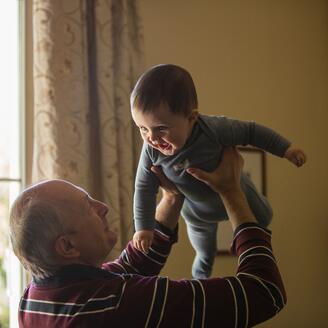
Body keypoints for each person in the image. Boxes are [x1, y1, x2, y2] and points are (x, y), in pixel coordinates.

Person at [10, 147, 286, 327]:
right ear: (67, 246)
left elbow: (129, 266)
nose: (103, 208)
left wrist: (172, 197)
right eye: (88, 208)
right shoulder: (121, 304)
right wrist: (232, 193)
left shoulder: (34, 299)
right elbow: (263, 292)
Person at [131, 63, 306, 278]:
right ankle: (201, 278)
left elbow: (251, 132)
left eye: (161, 129)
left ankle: (243, 244)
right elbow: (143, 188)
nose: (152, 138)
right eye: (142, 128)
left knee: (265, 217)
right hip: (197, 213)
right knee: (204, 251)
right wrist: (144, 227)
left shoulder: (213, 129)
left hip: (237, 189)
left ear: (192, 118)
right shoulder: (151, 150)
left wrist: (286, 149)